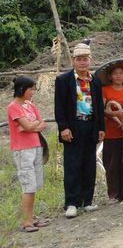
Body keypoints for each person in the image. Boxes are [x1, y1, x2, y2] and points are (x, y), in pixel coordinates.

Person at [54, 43, 105, 218]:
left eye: (85, 59)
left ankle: (87, 201)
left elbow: (99, 106)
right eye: (79, 60)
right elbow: (59, 106)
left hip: (90, 126)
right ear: (73, 61)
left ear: (90, 60)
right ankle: (71, 202)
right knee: (72, 165)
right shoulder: (63, 80)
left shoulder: (95, 81)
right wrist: (63, 127)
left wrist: (100, 128)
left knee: (89, 165)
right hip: (73, 127)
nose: (83, 63)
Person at [8, 76, 49, 232]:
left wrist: (30, 126)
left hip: (36, 146)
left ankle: (32, 218)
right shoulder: (13, 107)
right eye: (30, 89)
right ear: (22, 89)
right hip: (22, 149)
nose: (32, 92)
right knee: (28, 185)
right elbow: (28, 125)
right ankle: (26, 222)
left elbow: (39, 123)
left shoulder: (30, 105)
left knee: (35, 184)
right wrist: (30, 126)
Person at [100, 63, 123, 204]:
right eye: (115, 74)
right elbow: (103, 110)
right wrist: (115, 113)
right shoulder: (105, 90)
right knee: (111, 164)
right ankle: (113, 194)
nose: (118, 76)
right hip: (111, 131)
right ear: (110, 76)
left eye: (121, 73)